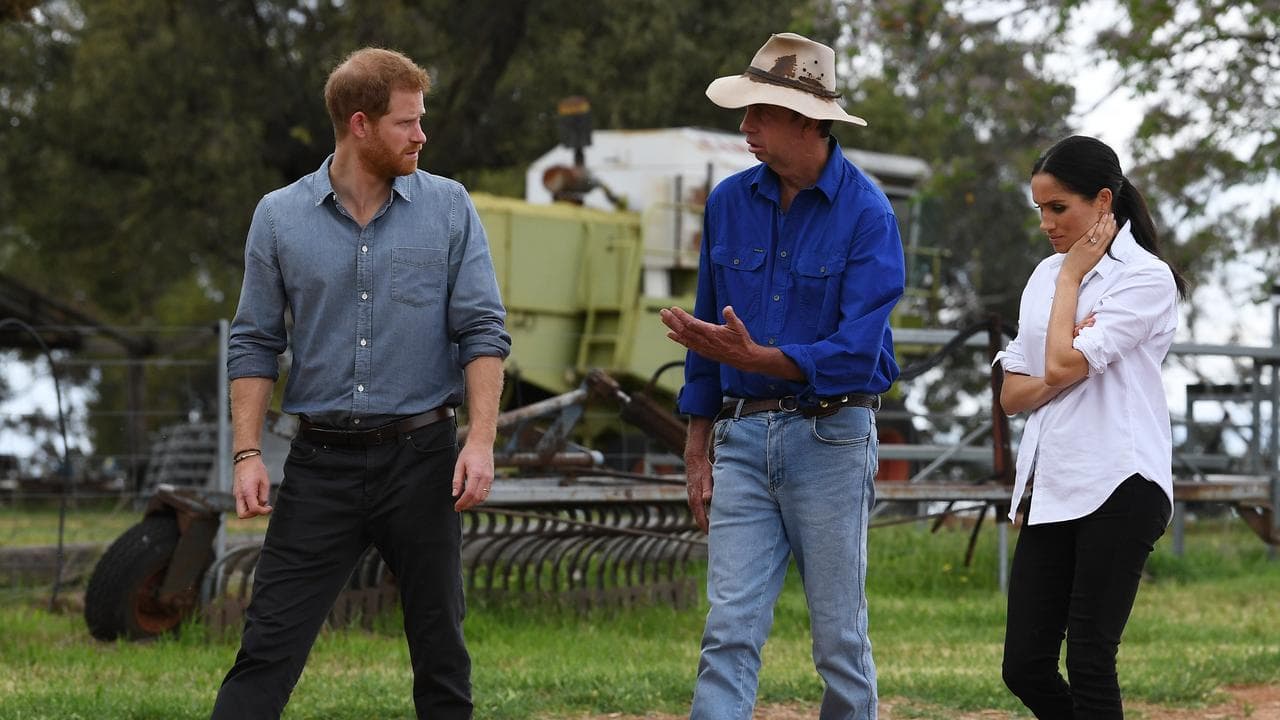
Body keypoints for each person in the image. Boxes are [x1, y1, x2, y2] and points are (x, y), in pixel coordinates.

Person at [211, 47, 510, 720]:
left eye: (421, 120)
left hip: (423, 459)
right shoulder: (279, 217)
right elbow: (256, 339)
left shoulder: (449, 207)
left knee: (442, 651)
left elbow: (483, 331)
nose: (421, 135)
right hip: (320, 466)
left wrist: (481, 441)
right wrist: (248, 451)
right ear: (359, 125)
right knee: (268, 643)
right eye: (406, 122)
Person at [660, 32, 905, 720]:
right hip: (739, 440)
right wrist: (695, 445)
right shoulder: (728, 203)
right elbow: (709, 333)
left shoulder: (868, 215)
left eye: (759, 112)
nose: (745, 127)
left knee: (838, 638)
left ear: (806, 121)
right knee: (728, 629)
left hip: (832, 437)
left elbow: (858, 353)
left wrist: (758, 360)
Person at [996, 135, 1187, 718]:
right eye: (1040, 210)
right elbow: (1012, 394)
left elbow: (1049, 368)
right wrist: (1075, 344)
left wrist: (1074, 281)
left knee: (1090, 660)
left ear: (1104, 201)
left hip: (1122, 483)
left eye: (1060, 208)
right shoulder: (1044, 276)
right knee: (1024, 666)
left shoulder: (1146, 278)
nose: (1047, 224)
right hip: (1054, 490)